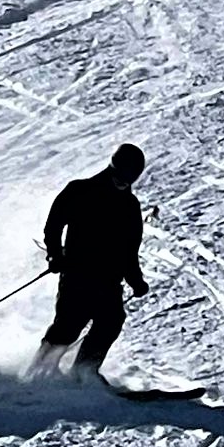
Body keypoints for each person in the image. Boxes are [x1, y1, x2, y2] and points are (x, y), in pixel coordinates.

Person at [35, 144, 148, 377]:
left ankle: (83, 373)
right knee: (68, 326)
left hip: (108, 280)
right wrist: (55, 255)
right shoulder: (80, 190)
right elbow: (54, 225)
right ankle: (38, 371)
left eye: (129, 178)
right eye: (120, 176)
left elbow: (130, 249)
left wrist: (135, 280)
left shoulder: (130, 206)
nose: (123, 182)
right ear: (112, 168)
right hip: (77, 275)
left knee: (111, 321)